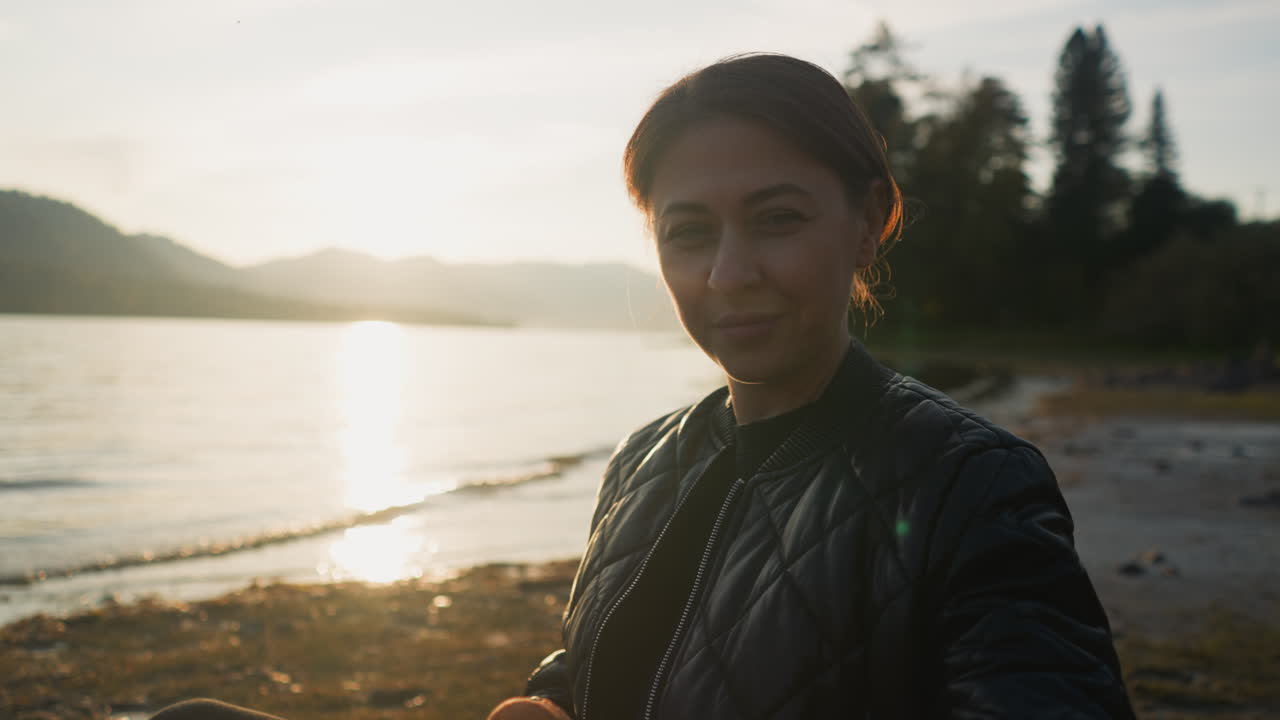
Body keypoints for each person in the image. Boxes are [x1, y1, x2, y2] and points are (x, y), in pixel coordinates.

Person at [491, 53, 1135, 719]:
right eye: (689, 233)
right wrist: (553, 700)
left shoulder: (970, 486)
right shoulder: (640, 464)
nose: (728, 274)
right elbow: (633, 653)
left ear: (867, 222)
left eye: (778, 219)